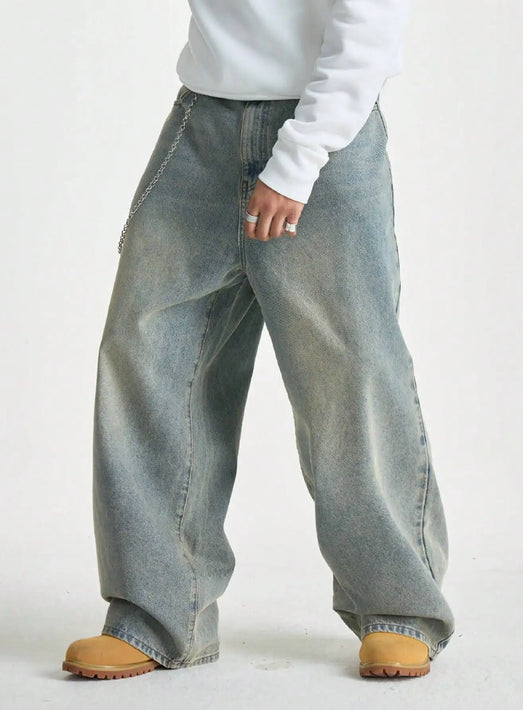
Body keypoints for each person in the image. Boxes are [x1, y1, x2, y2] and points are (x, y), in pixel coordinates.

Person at [62, 0, 455, 680]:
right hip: (201, 121)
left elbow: (370, 24)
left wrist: (298, 157)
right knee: (148, 358)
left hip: (324, 127)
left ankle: (399, 608)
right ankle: (156, 613)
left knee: (349, 371)